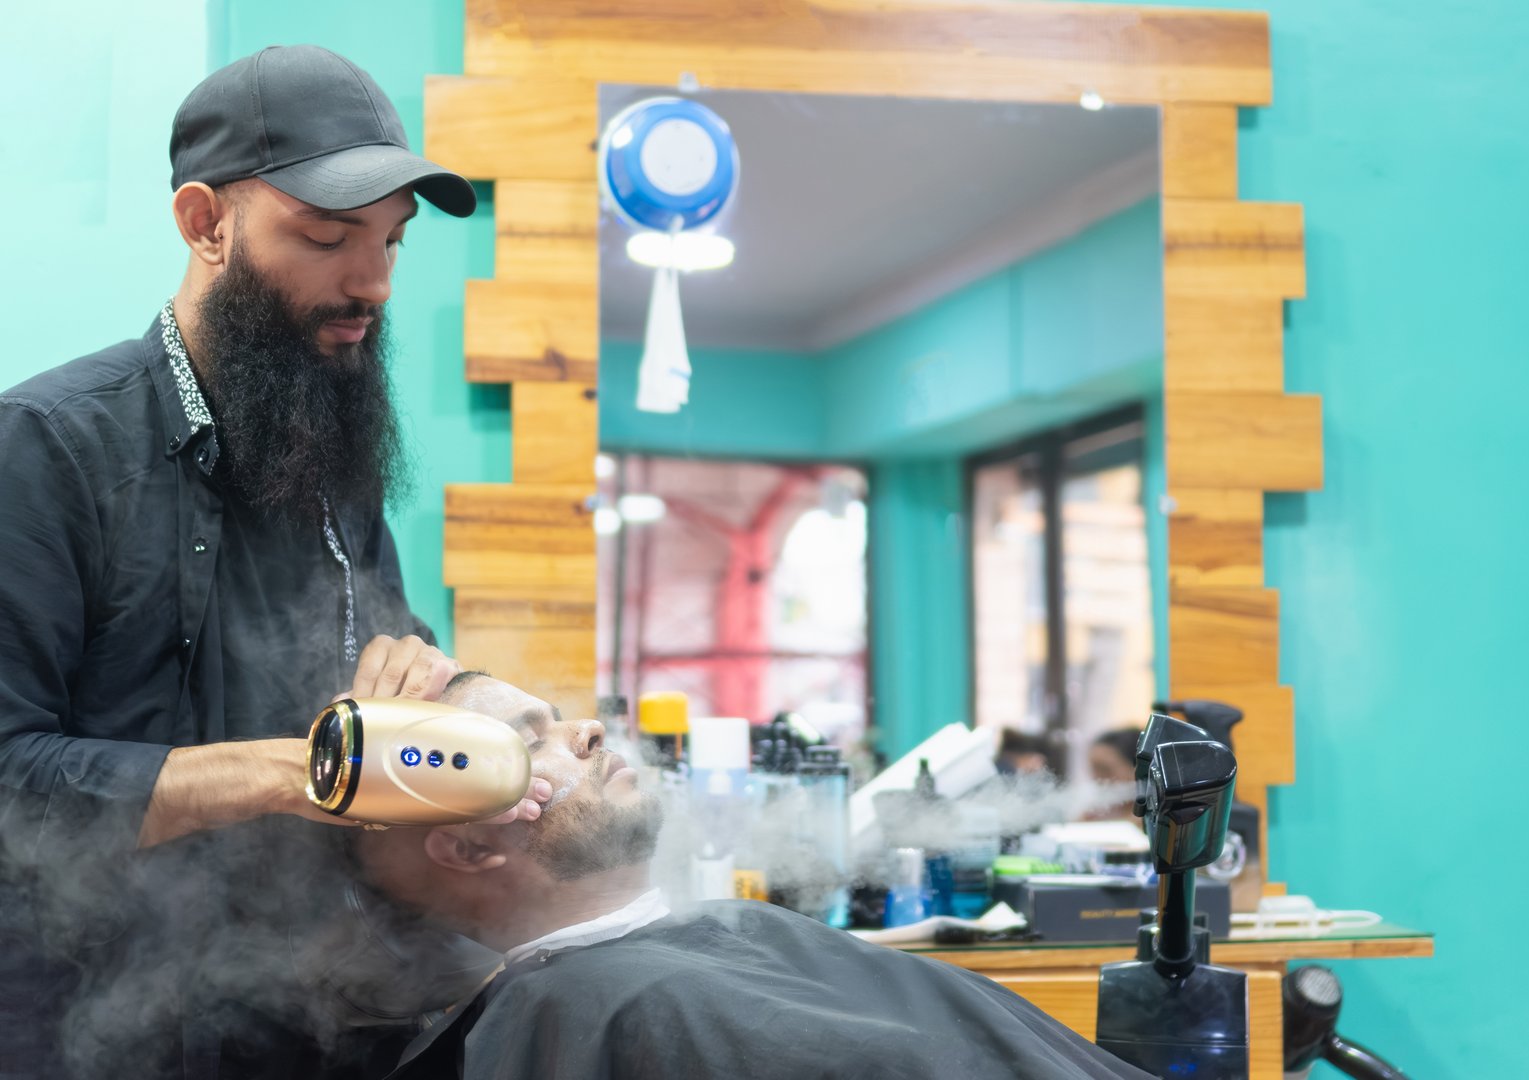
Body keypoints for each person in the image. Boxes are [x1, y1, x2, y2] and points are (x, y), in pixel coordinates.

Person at [0, 46, 549, 1080]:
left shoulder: (327, 445)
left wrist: (460, 692)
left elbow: (391, 654)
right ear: (206, 224)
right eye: (329, 236)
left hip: (301, 1016)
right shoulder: (45, 447)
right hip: (84, 1033)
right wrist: (298, 774)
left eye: (393, 241)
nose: (373, 283)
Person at [355, 672, 1155, 1080]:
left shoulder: (725, 939)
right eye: (533, 742)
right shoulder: (594, 1005)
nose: (589, 729)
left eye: (561, 716)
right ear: (464, 850)